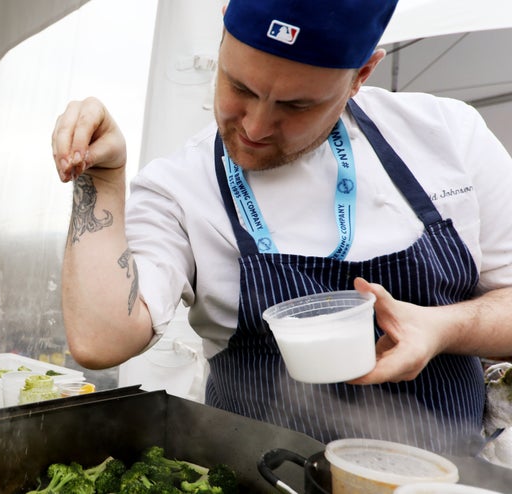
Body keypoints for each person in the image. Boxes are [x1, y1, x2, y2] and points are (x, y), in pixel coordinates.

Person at [51, 0, 512, 454]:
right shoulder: (181, 186)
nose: (255, 126)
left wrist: (443, 328)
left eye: (296, 105)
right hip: (263, 481)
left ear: (361, 75)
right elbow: (99, 341)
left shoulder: (447, 135)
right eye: (239, 87)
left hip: (443, 480)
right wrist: (102, 179)